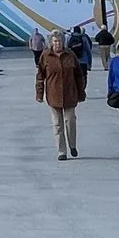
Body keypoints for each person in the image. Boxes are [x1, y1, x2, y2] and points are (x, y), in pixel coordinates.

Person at [36, 29, 82, 160]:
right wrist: (39, 94)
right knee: (57, 124)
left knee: (70, 121)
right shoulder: (46, 56)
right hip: (53, 94)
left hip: (70, 94)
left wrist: (81, 93)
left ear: (63, 42)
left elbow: (79, 75)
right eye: (55, 41)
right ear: (51, 42)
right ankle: (62, 151)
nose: (57, 44)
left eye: (60, 41)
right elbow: (40, 76)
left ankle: (72, 145)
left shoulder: (70, 55)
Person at [67, 16, 94, 102]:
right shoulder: (84, 37)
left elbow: (67, 49)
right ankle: (81, 91)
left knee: (74, 77)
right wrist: (89, 63)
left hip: (73, 61)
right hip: (83, 61)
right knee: (83, 77)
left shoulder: (70, 38)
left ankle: (75, 92)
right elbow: (88, 50)